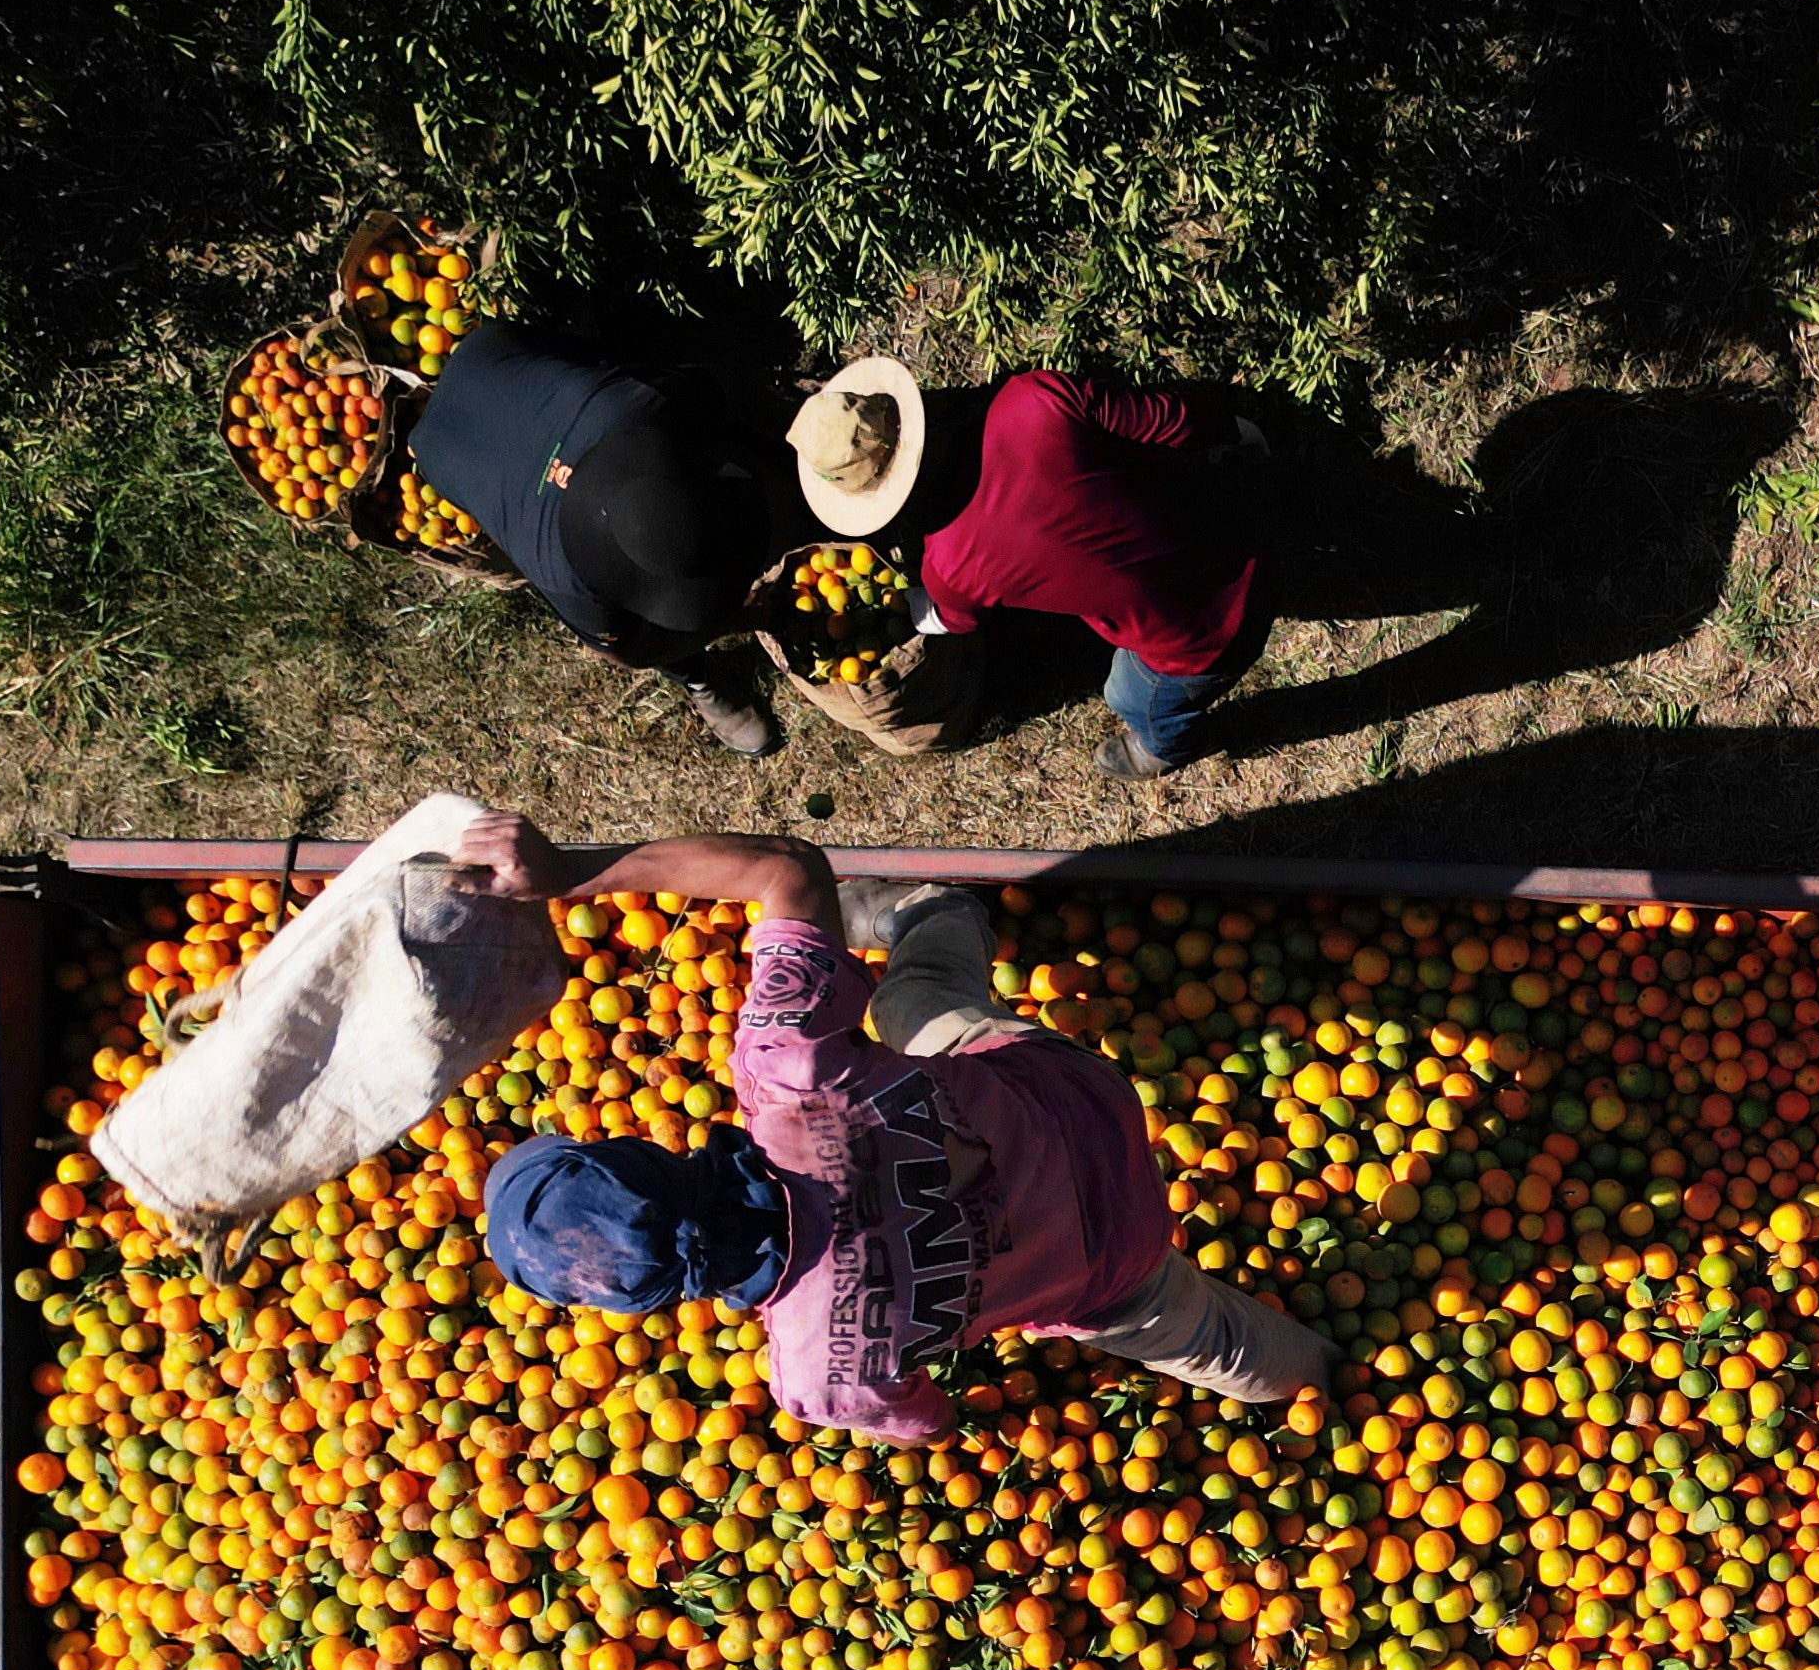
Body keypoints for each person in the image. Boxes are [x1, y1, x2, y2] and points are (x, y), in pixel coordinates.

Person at [448, 813, 1332, 1438]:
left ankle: (1327, 1377)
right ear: (641, 1152)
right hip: (1076, 1103)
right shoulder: (785, 1064)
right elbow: (786, 869)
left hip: (1111, 1269)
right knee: (916, 998)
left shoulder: (817, 1372)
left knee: (1212, 1342)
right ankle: (935, 913)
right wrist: (568, 872)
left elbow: (925, 1418)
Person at [786, 359, 1270, 781]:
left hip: (1202, 633)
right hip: (1241, 521)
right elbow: (1172, 419)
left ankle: (1167, 746)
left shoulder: (951, 568)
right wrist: (1241, 435)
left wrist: (905, 604)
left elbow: (950, 618)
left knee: (1128, 695)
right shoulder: (1033, 399)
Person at [409, 325, 800, 755]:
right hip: (439, 451)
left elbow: (704, 393)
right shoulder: (567, 579)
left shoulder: (642, 405)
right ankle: (699, 678)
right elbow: (632, 652)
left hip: (488, 353)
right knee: (655, 640)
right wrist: (733, 621)